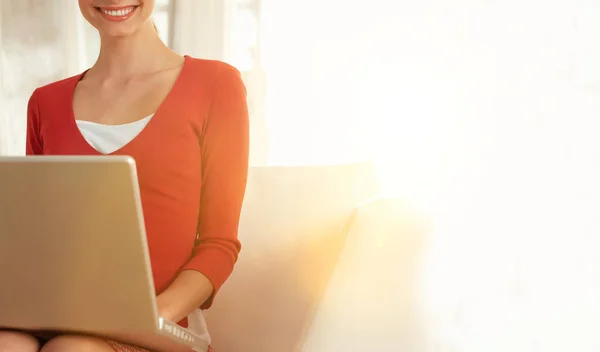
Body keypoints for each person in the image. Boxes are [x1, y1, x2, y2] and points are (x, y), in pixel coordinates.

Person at [0, 0, 249, 351]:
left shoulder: (216, 85)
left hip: (160, 326)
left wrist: (149, 317)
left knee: (71, 349)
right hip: (63, 315)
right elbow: (40, 244)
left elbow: (219, 244)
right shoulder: (44, 103)